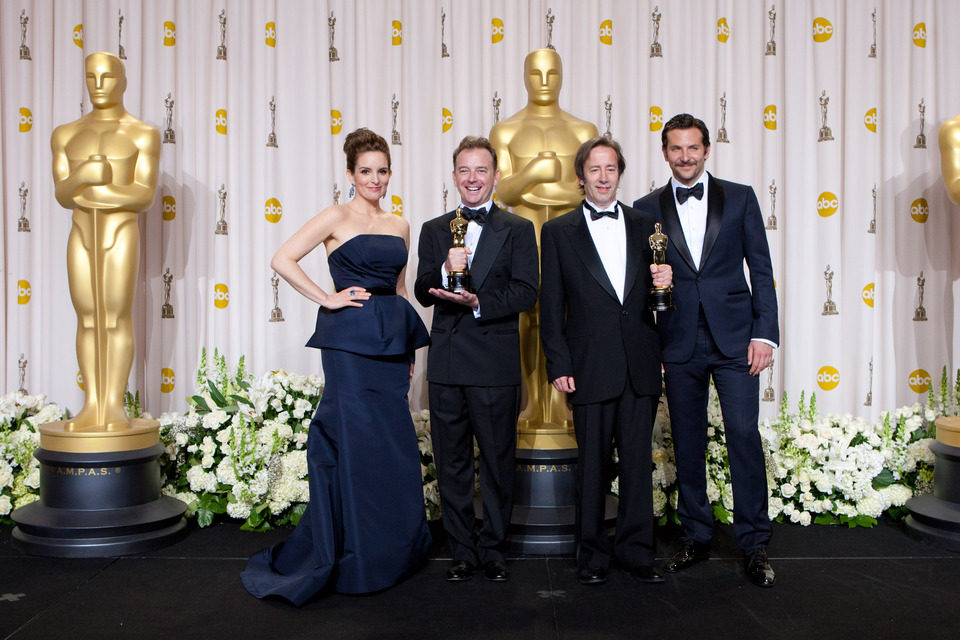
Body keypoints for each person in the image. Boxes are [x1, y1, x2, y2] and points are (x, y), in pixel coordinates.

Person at [242, 128, 431, 605]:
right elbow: (282, 258)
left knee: (391, 444)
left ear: (390, 174)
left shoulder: (401, 225)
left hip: (391, 345)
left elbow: (401, 290)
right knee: (357, 442)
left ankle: (391, 548)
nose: (375, 179)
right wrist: (327, 298)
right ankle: (353, 552)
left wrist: (408, 355)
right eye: (365, 171)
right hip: (347, 346)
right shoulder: (335, 216)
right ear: (350, 174)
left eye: (382, 170)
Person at [632, 113, 779, 588]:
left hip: (737, 338)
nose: (685, 156)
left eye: (693, 148)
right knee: (689, 443)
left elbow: (761, 268)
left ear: (707, 150)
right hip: (676, 340)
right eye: (676, 149)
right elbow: (637, 285)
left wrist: (766, 333)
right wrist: (647, 342)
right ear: (664, 152)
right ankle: (696, 534)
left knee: (742, 435)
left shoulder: (739, 197)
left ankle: (754, 543)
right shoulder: (644, 207)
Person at [539, 137, 672, 585]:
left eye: (610, 169)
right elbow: (551, 305)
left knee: (638, 466)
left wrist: (666, 287)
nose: (602, 177)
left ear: (620, 173)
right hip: (588, 366)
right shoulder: (557, 231)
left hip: (639, 363)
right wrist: (558, 363)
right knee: (592, 470)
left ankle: (637, 554)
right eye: (594, 170)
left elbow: (658, 298)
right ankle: (592, 558)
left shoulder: (646, 225)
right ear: (581, 177)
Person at [414, 136, 539, 582]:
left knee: (497, 459)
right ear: (453, 177)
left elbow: (527, 290)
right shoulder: (434, 229)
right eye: (464, 171)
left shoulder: (518, 229)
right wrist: (447, 271)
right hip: (447, 363)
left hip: (495, 362)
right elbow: (421, 286)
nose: (472, 178)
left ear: (495, 176)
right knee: (451, 461)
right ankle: (463, 550)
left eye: (481, 170)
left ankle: (494, 547)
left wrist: (478, 301)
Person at [489, 48, 598, 441]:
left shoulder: (584, 130)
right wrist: (535, 173)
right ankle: (532, 404)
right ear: (524, 76)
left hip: (571, 236)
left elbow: (589, 189)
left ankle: (562, 402)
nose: (545, 80)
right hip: (523, 235)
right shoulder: (505, 131)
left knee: (569, 313)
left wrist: (536, 189)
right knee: (525, 315)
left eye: (552, 72)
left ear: (563, 74)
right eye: (536, 73)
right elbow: (502, 189)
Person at [50, 51, 160, 431]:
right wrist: (85, 174)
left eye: (107, 77)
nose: (98, 85)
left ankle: (113, 404)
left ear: (123, 81)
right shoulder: (66, 134)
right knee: (87, 317)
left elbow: (143, 195)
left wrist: (98, 192)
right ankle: (91, 403)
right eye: (91, 77)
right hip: (81, 231)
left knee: (113, 316)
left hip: (118, 232)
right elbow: (63, 194)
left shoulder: (141, 134)